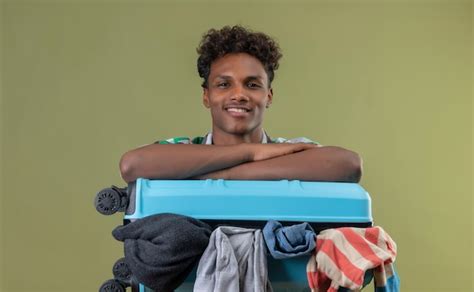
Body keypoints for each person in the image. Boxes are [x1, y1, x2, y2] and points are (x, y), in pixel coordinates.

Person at [119, 25, 362, 183]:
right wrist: (251, 152)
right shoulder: (183, 148)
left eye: (252, 85)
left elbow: (348, 165)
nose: (239, 95)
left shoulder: (291, 148)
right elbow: (132, 165)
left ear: (269, 96)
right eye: (224, 84)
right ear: (206, 96)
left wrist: (223, 175)